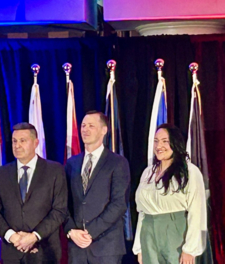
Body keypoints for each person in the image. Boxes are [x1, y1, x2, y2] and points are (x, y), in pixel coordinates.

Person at [0, 122, 67, 264]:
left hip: (45, 251)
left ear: (35, 142)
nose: (17, 145)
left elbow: (59, 210)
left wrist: (34, 237)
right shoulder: (0, 174)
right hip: (12, 251)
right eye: (14, 141)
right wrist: (12, 236)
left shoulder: (55, 171)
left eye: (22, 141)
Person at [133, 124, 207, 264]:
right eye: (156, 141)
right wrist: (139, 247)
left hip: (175, 233)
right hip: (148, 234)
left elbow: (196, 211)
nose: (159, 145)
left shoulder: (190, 172)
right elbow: (142, 212)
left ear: (175, 143)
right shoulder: (148, 173)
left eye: (164, 141)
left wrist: (190, 249)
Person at [65, 111, 131, 264]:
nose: (85, 130)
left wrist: (90, 232)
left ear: (104, 130)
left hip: (106, 248)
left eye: (91, 126)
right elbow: (63, 203)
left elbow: (119, 204)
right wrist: (71, 230)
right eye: (83, 126)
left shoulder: (117, 163)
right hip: (76, 249)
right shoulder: (71, 164)